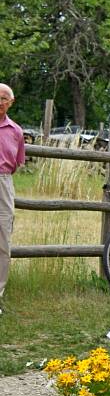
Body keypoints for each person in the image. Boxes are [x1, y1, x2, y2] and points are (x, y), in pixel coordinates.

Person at [0, 83, 25, 317]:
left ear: (11, 102)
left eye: (3, 98)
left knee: (2, 241)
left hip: (3, 183)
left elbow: (17, 162)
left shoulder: (16, 131)